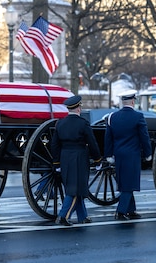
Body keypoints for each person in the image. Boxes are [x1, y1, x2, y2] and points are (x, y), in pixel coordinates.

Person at [51, 95, 102, 226]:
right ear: (78, 108)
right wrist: (97, 160)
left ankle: (82, 216)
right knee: (74, 190)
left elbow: (55, 144)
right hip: (79, 158)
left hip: (64, 157)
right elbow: (92, 143)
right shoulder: (83, 124)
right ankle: (63, 216)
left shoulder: (60, 123)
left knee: (75, 186)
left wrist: (56, 163)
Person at [104, 90, 152, 220]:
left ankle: (131, 210)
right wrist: (148, 153)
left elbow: (108, 138)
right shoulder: (138, 117)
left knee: (125, 181)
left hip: (118, 154)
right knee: (129, 184)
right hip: (132, 154)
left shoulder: (112, 117)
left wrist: (108, 154)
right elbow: (144, 137)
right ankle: (121, 211)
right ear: (133, 101)